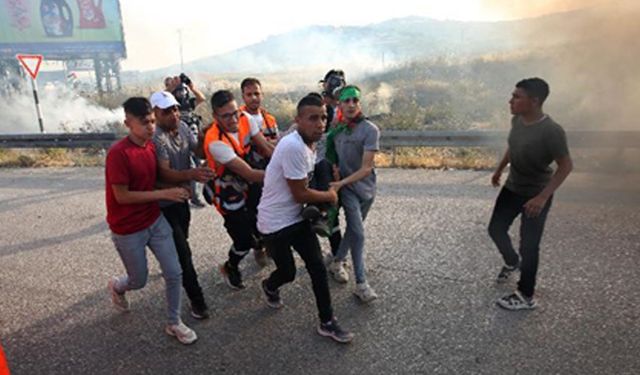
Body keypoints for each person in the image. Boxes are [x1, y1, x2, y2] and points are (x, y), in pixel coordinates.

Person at [257, 93, 354, 344]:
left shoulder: (310, 144)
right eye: (312, 118)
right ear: (297, 120)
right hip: (274, 223)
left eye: (323, 117)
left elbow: (303, 185)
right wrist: (330, 196)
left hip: (297, 219)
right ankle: (270, 285)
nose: (320, 123)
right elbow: (299, 193)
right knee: (287, 273)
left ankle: (327, 321)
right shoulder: (292, 146)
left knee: (317, 268)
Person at [105, 97, 197, 345]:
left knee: (174, 271)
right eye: (145, 122)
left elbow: (151, 182)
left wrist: (177, 186)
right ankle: (118, 286)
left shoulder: (150, 147)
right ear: (128, 123)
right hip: (127, 229)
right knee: (139, 280)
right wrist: (165, 194)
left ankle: (174, 322)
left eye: (153, 122)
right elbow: (122, 196)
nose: (151, 127)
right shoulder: (118, 154)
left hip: (154, 220)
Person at [489, 77, 573, 310]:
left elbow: (566, 166)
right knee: (495, 229)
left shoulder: (552, 131)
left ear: (534, 101)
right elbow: (512, 147)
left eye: (517, 97)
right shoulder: (517, 120)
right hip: (512, 187)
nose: (511, 101)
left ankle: (526, 295)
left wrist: (542, 197)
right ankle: (512, 261)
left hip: (536, 194)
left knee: (529, 245)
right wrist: (499, 170)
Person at [150, 91, 215, 320]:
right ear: (156, 113)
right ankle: (198, 301)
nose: (174, 114)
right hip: (162, 204)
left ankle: (170, 262)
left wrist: (207, 136)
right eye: (167, 111)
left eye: (175, 109)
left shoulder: (183, 128)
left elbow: (195, 150)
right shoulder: (157, 137)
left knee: (181, 243)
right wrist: (193, 173)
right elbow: (164, 172)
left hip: (181, 200)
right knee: (184, 253)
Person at [203, 90, 274, 290]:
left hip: (249, 183)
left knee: (262, 220)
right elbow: (250, 173)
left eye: (235, 112)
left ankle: (259, 244)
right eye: (226, 116)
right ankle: (230, 266)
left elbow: (265, 146)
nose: (234, 119)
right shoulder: (215, 141)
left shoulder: (246, 118)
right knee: (242, 240)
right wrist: (281, 177)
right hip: (228, 191)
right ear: (215, 117)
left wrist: (286, 161)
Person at [326, 85, 380, 303]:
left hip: (366, 189)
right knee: (358, 233)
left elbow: (366, 168)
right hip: (347, 190)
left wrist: (340, 182)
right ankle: (361, 283)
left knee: (353, 231)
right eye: (346, 101)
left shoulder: (370, 130)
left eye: (354, 101)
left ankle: (337, 261)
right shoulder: (336, 131)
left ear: (359, 103)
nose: (350, 105)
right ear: (339, 105)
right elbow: (329, 157)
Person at [239, 77, 279, 266]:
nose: (254, 98)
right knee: (254, 212)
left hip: (270, 172)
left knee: (272, 209)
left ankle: (271, 244)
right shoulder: (238, 119)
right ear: (243, 96)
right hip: (249, 175)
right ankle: (258, 247)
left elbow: (276, 143)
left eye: (257, 93)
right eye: (249, 94)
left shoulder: (269, 118)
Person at [164, 74, 208, 208]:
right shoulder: (171, 105)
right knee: (188, 167)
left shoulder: (188, 103)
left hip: (192, 137)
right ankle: (190, 196)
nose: (182, 93)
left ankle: (193, 195)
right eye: (179, 90)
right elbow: (160, 103)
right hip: (178, 139)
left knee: (197, 165)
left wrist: (191, 86)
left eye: (183, 90)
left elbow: (201, 98)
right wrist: (171, 89)